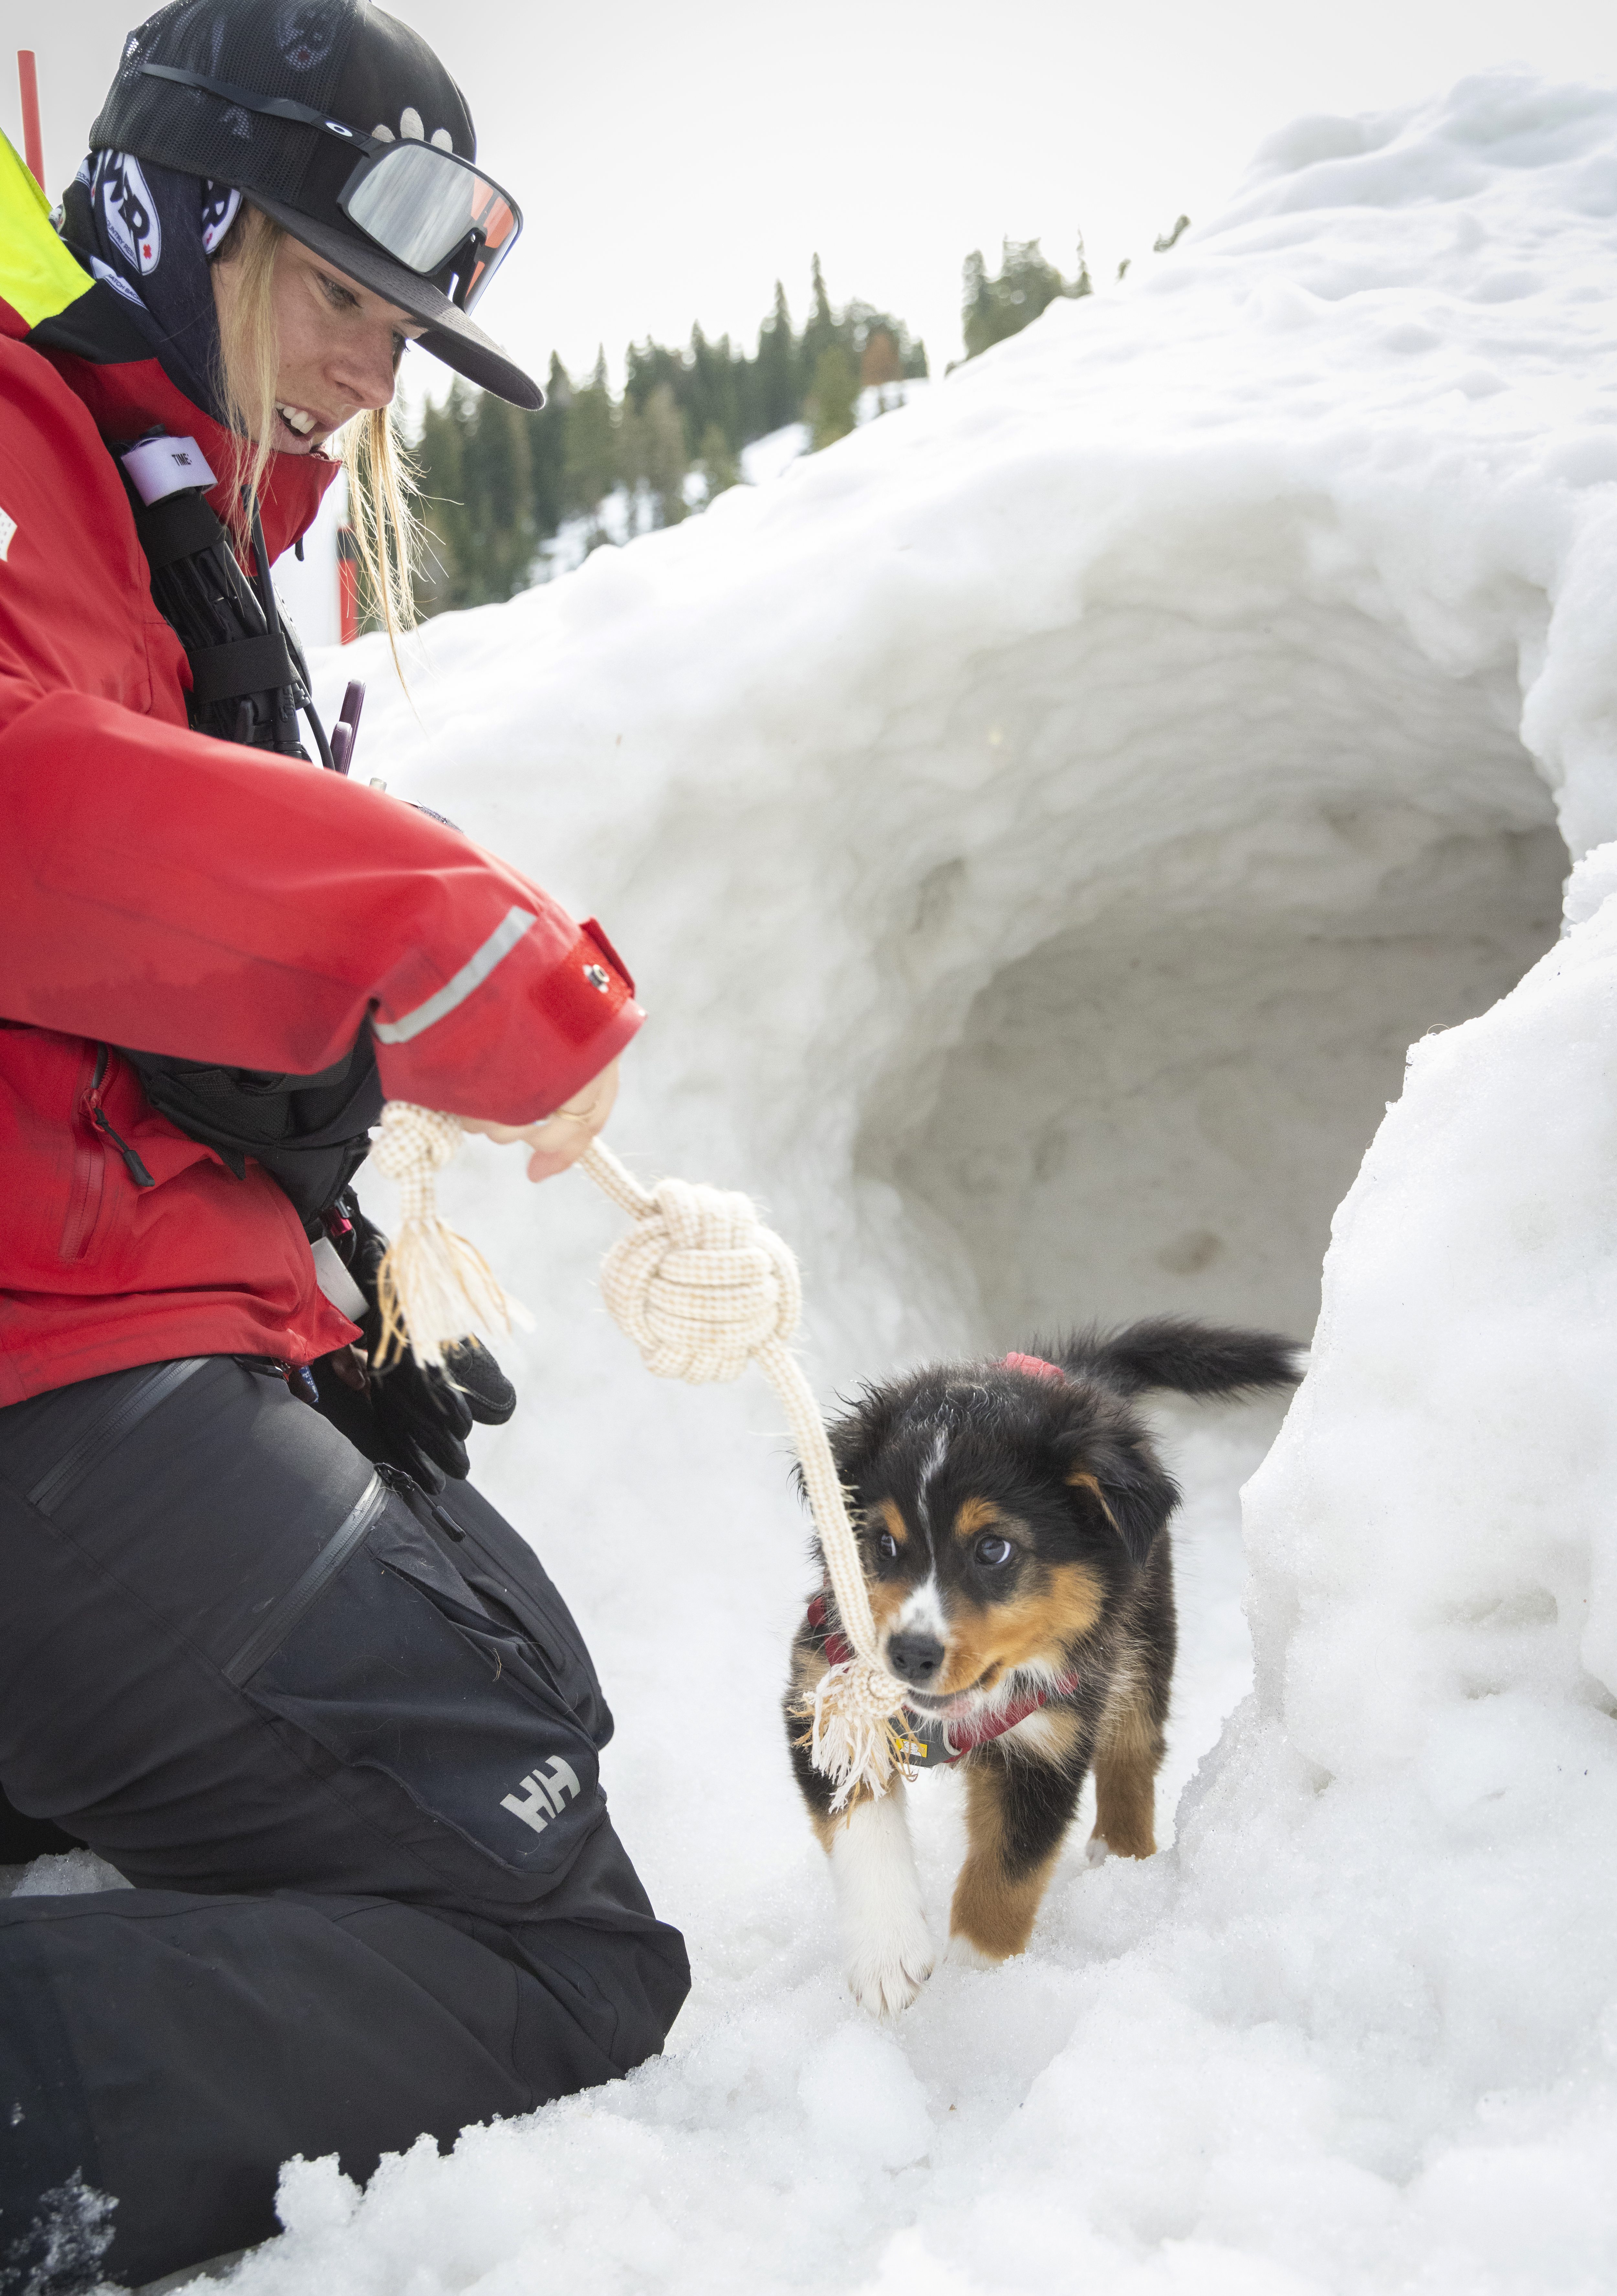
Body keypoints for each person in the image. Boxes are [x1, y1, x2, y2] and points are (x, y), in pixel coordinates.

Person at [0, 4, 689, 2286]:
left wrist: (318, 1310)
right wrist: (431, 942)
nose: (370, 375)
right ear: (182, 222)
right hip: (39, 1391)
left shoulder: (161, 528)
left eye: (403, 328)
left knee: (524, 1721)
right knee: (541, 1943)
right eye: (333, 295)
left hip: (106, 1346)